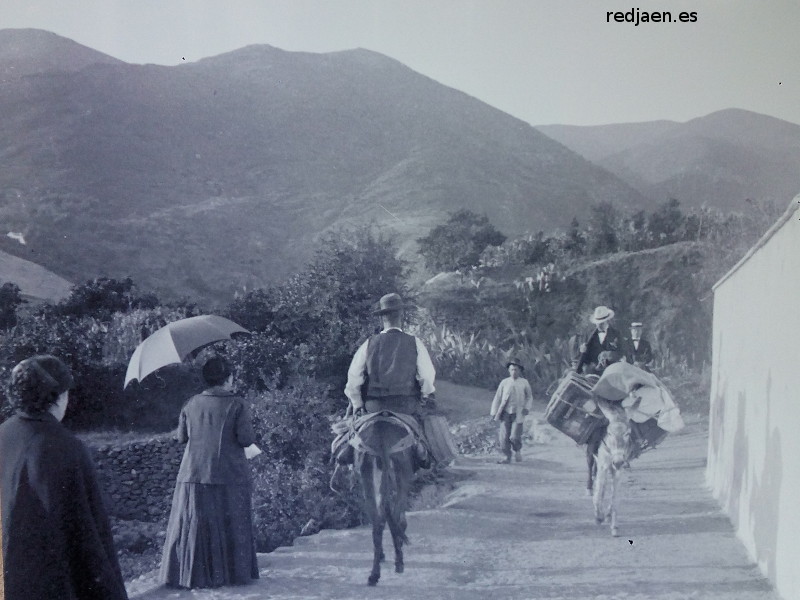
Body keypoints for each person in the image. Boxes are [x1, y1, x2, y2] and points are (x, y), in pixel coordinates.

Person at [0, 355, 128, 600]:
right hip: (48, 582)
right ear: (57, 396)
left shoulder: (3, 434)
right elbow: (89, 533)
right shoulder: (65, 447)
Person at [160, 355, 259, 589]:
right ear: (227, 378)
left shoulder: (190, 403)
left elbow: (181, 437)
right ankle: (232, 575)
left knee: (195, 525)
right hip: (229, 474)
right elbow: (246, 439)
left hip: (193, 473)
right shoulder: (238, 404)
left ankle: (192, 576)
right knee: (231, 522)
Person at [341, 293, 435, 470]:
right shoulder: (414, 343)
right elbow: (427, 377)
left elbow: (353, 378)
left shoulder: (369, 344)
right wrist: (424, 395)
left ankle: (347, 452)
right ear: (402, 315)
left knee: (351, 429)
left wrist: (357, 403)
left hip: (374, 406)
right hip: (405, 405)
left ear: (382, 318)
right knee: (422, 427)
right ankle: (422, 452)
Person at [489, 359, 534, 463]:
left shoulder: (524, 382)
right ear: (509, 371)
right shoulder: (504, 382)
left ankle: (517, 450)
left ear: (520, 371)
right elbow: (498, 397)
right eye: (512, 370)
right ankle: (507, 456)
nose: (514, 372)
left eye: (516, 370)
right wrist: (494, 412)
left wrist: (527, 407)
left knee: (514, 436)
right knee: (504, 437)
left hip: (518, 413)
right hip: (505, 413)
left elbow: (529, 397)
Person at [575, 305, 624, 375]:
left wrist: (609, 355)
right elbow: (585, 358)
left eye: (601, 323)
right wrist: (582, 352)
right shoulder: (589, 336)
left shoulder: (616, 334)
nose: (598, 326)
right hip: (593, 373)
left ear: (607, 320)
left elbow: (622, 353)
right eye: (597, 323)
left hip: (612, 372)